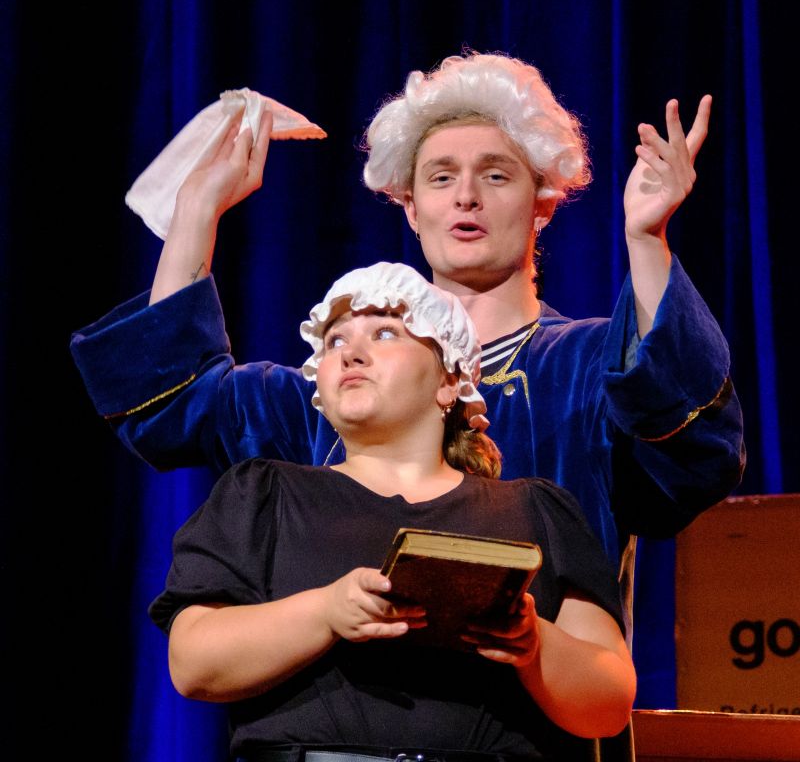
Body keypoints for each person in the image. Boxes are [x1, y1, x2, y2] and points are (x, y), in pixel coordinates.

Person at [70, 50, 744, 575]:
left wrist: (645, 240)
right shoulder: (341, 386)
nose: (467, 196)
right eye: (442, 176)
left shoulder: (587, 368)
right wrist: (195, 215)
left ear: (542, 200)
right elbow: (172, 405)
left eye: (497, 174)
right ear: (410, 206)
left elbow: (694, 452)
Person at [148, 261, 637, 762]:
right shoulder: (263, 496)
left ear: (450, 380)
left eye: (384, 333)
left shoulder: (536, 512)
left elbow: (609, 703)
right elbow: (192, 663)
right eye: (335, 341)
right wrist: (326, 611)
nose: (352, 353)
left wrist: (534, 643)